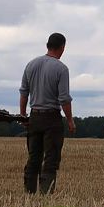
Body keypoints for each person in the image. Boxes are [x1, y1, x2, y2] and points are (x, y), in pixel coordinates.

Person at [19, 32, 76, 194]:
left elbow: (24, 93)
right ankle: (45, 197)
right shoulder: (62, 68)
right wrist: (70, 120)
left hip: (34, 117)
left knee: (33, 159)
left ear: (47, 45)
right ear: (62, 47)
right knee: (50, 160)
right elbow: (64, 99)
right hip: (52, 119)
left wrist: (23, 116)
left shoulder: (30, 65)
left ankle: (29, 195)